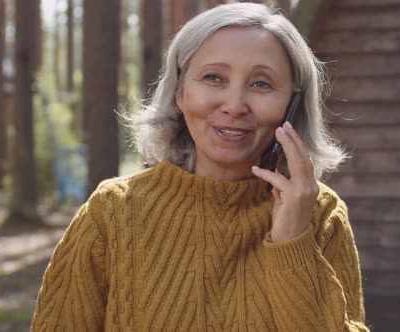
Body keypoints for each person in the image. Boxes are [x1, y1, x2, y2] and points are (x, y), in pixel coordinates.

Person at [31, 3, 369, 331]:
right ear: (179, 93)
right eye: (213, 78)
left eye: (261, 84)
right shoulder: (111, 212)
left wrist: (293, 243)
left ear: (291, 106)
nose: (234, 106)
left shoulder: (321, 215)